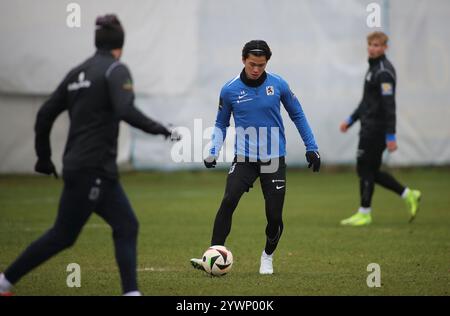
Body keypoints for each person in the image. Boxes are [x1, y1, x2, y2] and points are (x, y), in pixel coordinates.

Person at [0, 14, 179, 296]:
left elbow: (45, 114)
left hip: (89, 168)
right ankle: (4, 282)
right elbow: (125, 110)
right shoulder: (115, 70)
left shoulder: (77, 73)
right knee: (63, 235)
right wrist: (162, 130)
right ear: (121, 45)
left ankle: (131, 293)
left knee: (126, 225)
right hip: (92, 169)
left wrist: (43, 157)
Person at [190, 40, 320, 275]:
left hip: (274, 159)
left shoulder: (278, 84)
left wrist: (312, 146)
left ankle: (267, 256)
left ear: (266, 62)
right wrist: (213, 150)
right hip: (245, 158)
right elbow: (221, 123)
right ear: (243, 60)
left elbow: (297, 114)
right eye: (252, 64)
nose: (256, 69)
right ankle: (212, 255)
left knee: (274, 216)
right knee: (228, 200)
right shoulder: (229, 90)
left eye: (261, 65)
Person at [339, 31, 421, 226]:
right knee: (371, 171)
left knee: (364, 167)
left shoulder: (383, 71)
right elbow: (367, 102)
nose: (373, 48)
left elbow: (388, 105)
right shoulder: (373, 68)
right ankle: (409, 194)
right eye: (371, 45)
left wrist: (390, 135)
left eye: (377, 45)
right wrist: (350, 120)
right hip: (368, 126)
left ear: (385, 47)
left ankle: (364, 212)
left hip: (376, 130)